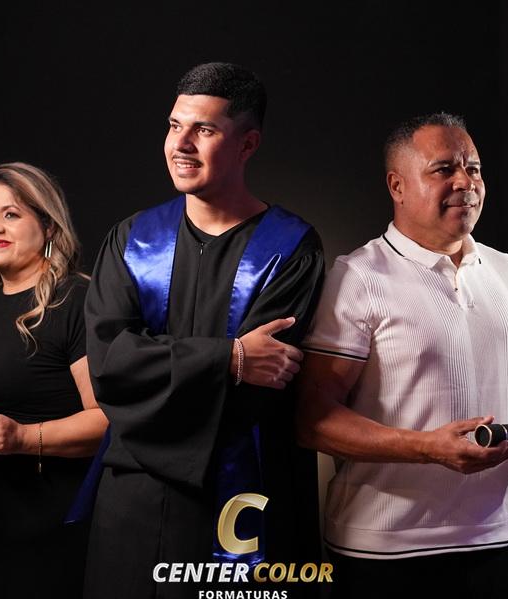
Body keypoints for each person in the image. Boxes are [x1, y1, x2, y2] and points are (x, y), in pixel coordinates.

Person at [295, 113, 508, 599]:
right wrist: (427, 448)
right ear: (397, 185)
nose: (465, 182)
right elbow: (311, 419)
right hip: (383, 548)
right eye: (444, 169)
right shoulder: (359, 277)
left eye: (474, 168)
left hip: (493, 537)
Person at [83, 62, 325, 598]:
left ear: (248, 144)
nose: (181, 144)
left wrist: (156, 365)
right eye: (174, 126)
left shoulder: (290, 248)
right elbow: (110, 365)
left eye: (204, 130)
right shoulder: (132, 239)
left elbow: (263, 385)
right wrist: (230, 359)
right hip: (133, 500)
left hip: (238, 495)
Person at [0, 162, 106, 597]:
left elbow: (107, 421)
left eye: (12, 214)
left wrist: (22, 437)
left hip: (52, 530)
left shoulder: (76, 301)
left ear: (49, 226)